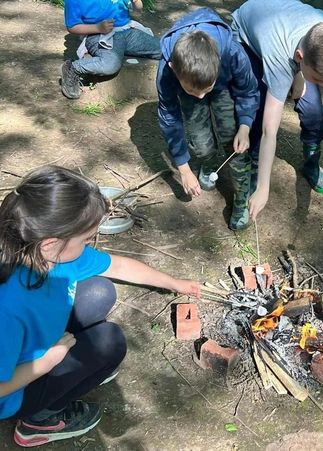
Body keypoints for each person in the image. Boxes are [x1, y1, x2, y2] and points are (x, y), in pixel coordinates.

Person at [0, 166, 202, 446]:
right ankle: (38, 421)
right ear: (50, 243)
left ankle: (72, 371)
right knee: (111, 342)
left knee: (99, 289)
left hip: (38, 342)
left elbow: (117, 265)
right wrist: (47, 362)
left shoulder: (54, 255)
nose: (90, 244)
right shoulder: (8, 308)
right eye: (85, 239)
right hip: (15, 390)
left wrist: (173, 282)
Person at [230, 0, 323, 220]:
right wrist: (264, 188)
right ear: (299, 58)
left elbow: (305, 63)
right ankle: (255, 166)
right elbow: (270, 130)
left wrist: (301, 75)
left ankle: (312, 160)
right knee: (257, 105)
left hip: (288, 35)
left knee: (313, 110)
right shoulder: (278, 58)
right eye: (318, 79)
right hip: (248, 34)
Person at [156, 8, 260, 230]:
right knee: (200, 141)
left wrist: (244, 125)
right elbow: (169, 116)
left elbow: (248, 91)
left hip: (223, 86)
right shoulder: (167, 68)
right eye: (197, 92)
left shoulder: (232, 53)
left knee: (234, 141)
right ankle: (208, 162)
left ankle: (241, 199)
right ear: (174, 69)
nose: (202, 97)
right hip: (187, 85)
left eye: (206, 90)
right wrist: (184, 169)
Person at [61, 0, 161, 99]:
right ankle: (73, 67)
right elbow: (72, 27)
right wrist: (98, 28)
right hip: (99, 35)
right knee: (110, 65)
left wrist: (136, 1)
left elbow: (138, 9)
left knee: (165, 50)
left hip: (127, 30)